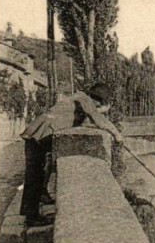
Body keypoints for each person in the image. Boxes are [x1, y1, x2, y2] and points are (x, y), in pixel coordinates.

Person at [20, 83, 123, 226]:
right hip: (38, 137)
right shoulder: (84, 99)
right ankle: (31, 217)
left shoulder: (79, 99)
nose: (98, 106)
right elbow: (99, 120)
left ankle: (32, 212)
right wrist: (117, 135)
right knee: (34, 176)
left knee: (35, 175)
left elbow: (85, 123)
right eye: (100, 103)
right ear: (97, 99)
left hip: (36, 135)